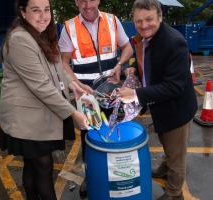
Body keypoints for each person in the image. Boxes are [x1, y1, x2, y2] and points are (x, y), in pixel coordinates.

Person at [0, 0, 89, 199]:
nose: (43, 16)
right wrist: (73, 113)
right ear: (23, 12)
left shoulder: (41, 34)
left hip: (38, 115)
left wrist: (74, 86)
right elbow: (41, 86)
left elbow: (57, 69)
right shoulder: (20, 39)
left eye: (46, 10)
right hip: (25, 119)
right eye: (36, 10)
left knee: (34, 165)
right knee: (43, 166)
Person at [117, 0, 197, 199]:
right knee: (165, 141)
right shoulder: (145, 37)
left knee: (176, 155)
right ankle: (163, 167)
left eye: (149, 19)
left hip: (176, 109)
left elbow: (174, 86)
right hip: (160, 106)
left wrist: (135, 94)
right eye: (139, 21)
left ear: (160, 17)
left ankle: (173, 193)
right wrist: (133, 68)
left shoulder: (174, 41)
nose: (144, 25)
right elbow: (145, 60)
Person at [58, 0, 133, 198]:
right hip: (87, 98)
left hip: (113, 94)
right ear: (75, 2)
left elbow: (128, 48)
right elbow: (63, 62)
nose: (87, 4)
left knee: (115, 132)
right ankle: (91, 177)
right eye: (82, 0)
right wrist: (74, 84)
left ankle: (116, 175)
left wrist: (120, 64)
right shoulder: (68, 27)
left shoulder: (112, 20)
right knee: (89, 139)